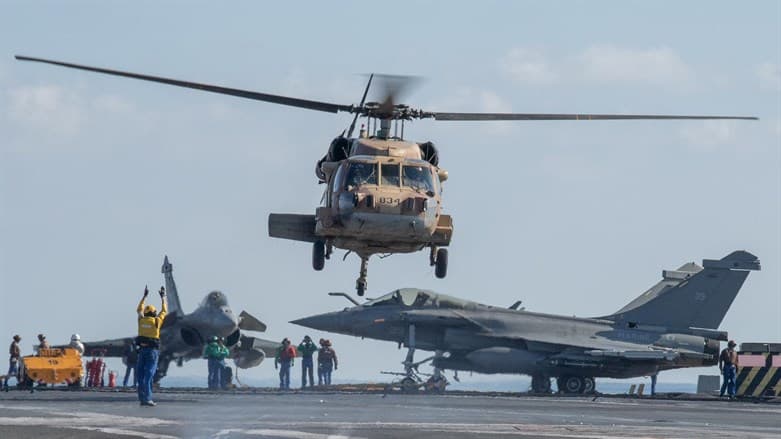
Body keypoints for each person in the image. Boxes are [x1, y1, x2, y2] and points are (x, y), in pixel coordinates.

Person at [135, 286, 167, 406]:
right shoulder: (157, 321)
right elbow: (164, 311)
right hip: (152, 352)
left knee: (140, 376)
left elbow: (138, 309)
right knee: (148, 375)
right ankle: (147, 399)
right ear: (154, 313)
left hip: (142, 350)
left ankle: (142, 398)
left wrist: (144, 296)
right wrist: (163, 297)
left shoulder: (141, 320)